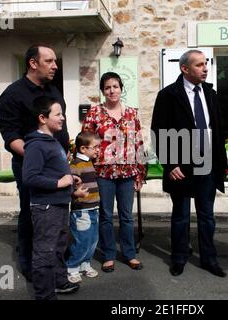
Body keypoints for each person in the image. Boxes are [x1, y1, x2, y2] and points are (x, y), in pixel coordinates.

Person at [151, 50, 228, 277]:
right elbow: (158, 132)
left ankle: (209, 259)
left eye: (206, 64)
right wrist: (169, 164)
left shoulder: (210, 93)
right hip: (181, 166)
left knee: (207, 216)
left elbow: (219, 129)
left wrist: (220, 161)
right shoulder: (168, 95)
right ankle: (179, 258)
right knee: (181, 215)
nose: (205, 68)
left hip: (208, 164)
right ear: (184, 68)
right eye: (199, 65)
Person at [0, 44, 69, 282]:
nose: (55, 66)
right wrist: (42, 159)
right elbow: (11, 136)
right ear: (33, 63)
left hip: (59, 164)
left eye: (55, 61)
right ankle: (29, 264)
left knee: (57, 214)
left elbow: (60, 125)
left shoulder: (53, 90)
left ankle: (54, 261)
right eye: (49, 61)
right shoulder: (13, 94)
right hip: (32, 167)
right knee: (32, 213)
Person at [82, 72, 146, 272]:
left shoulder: (132, 113)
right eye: (107, 87)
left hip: (128, 173)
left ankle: (129, 254)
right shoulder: (94, 113)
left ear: (121, 89)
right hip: (103, 173)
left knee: (127, 216)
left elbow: (138, 143)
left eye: (115, 86)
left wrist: (140, 173)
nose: (112, 90)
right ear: (103, 91)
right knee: (106, 215)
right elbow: (85, 142)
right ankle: (109, 255)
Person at [22, 96, 79, 300]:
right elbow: (29, 177)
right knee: (45, 252)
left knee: (59, 246)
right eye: (58, 114)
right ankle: (44, 295)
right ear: (42, 118)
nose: (62, 118)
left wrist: (70, 179)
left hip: (59, 204)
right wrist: (58, 183)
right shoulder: (36, 144)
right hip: (46, 207)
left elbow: (52, 171)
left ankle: (59, 282)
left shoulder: (51, 140)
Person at [66, 132, 102, 283]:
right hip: (81, 211)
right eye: (95, 147)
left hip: (94, 208)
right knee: (81, 240)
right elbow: (69, 187)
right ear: (83, 148)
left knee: (92, 240)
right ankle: (72, 267)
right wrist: (75, 193)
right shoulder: (75, 165)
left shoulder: (89, 162)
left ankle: (85, 264)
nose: (97, 150)